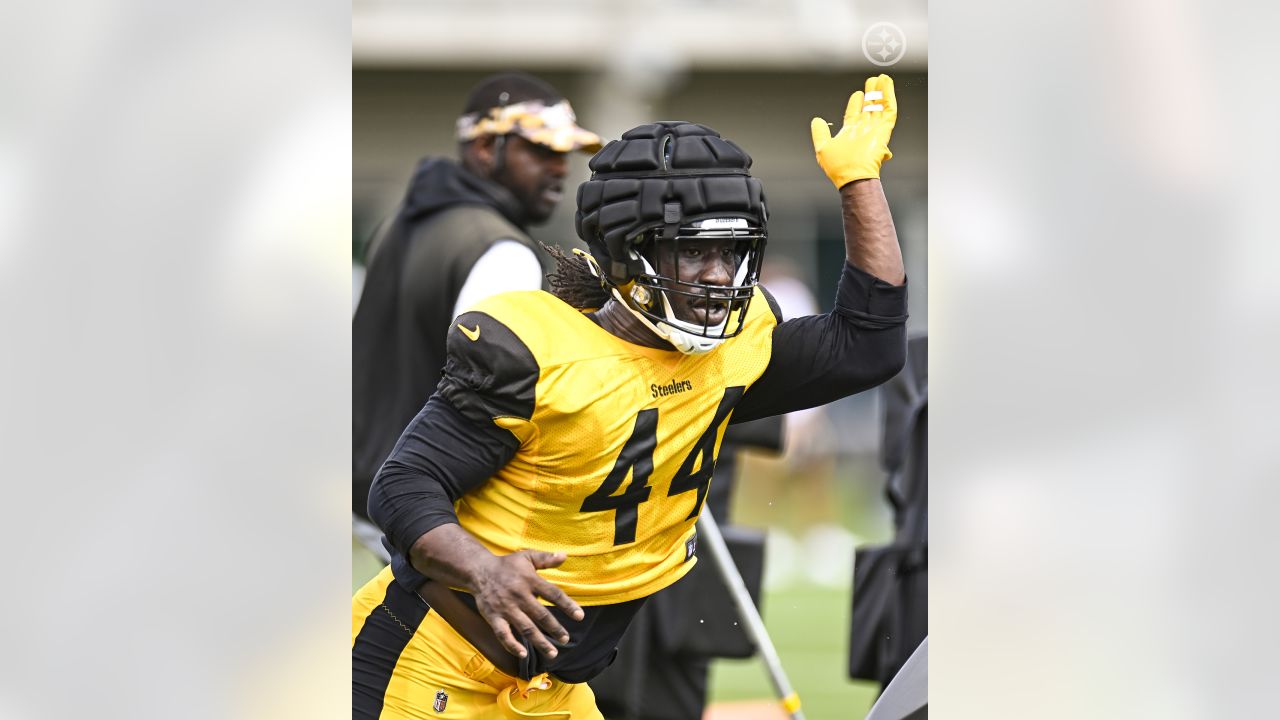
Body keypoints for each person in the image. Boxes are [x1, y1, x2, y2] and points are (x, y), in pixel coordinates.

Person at [353, 75, 909, 719]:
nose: (717, 277)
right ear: (628, 253)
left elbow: (871, 344)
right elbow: (402, 485)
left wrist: (858, 182)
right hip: (432, 668)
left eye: (732, 254)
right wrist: (484, 569)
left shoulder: (735, 348)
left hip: (556, 691)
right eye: (693, 253)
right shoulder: (539, 355)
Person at [352, 72, 602, 527]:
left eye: (565, 155)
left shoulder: (401, 222)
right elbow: (492, 397)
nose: (561, 168)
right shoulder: (498, 248)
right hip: (433, 500)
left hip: (375, 481)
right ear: (486, 148)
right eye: (543, 150)